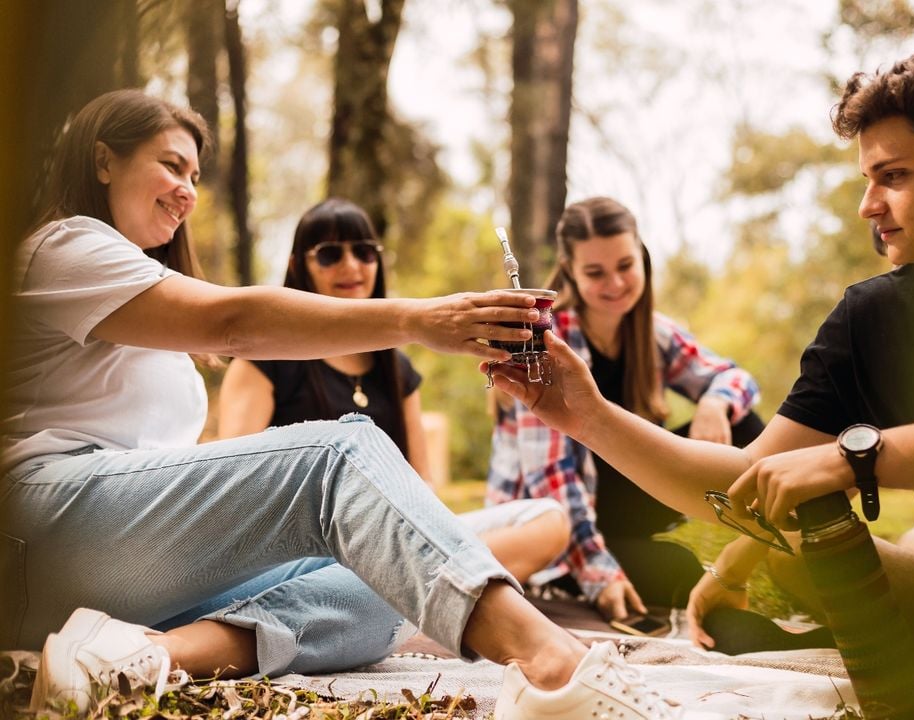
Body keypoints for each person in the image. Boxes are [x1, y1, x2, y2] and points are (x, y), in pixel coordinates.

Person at [0, 89, 683, 720]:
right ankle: (554, 667)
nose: (186, 191)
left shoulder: (133, 283)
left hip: (109, 564)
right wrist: (419, 318)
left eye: (196, 178)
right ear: (102, 161)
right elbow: (231, 323)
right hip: (41, 527)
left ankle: (135, 656)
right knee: (337, 451)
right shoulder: (63, 247)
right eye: (171, 166)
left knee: (385, 574)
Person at [486, 42, 914, 715]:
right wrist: (586, 414)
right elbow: (746, 486)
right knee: (799, 547)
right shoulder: (871, 317)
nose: (868, 204)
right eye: (866, 177)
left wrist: (852, 459)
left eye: (894, 176)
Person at [218, 197, 570, 584]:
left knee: (547, 522)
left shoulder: (397, 368)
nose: (351, 265)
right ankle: (425, 589)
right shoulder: (263, 360)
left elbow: (422, 484)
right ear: (298, 265)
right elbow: (238, 489)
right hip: (307, 554)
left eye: (365, 252)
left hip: (398, 540)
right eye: (330, 254)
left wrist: (425, 535)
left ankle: (412, 587)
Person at [487, 196, 763, 620]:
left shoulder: (653, 333)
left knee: (745, 425)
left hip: (623, 497)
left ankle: (774, 549)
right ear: (572, 274)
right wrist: (601, 574)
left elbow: (736, 378)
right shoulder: (544, 342)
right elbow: (552, 477)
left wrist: (714, 401)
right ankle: (594, 570)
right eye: (595, 272)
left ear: (642, 259)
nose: (615, 283)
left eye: (625, 266)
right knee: (679, 576)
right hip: (562, 524)